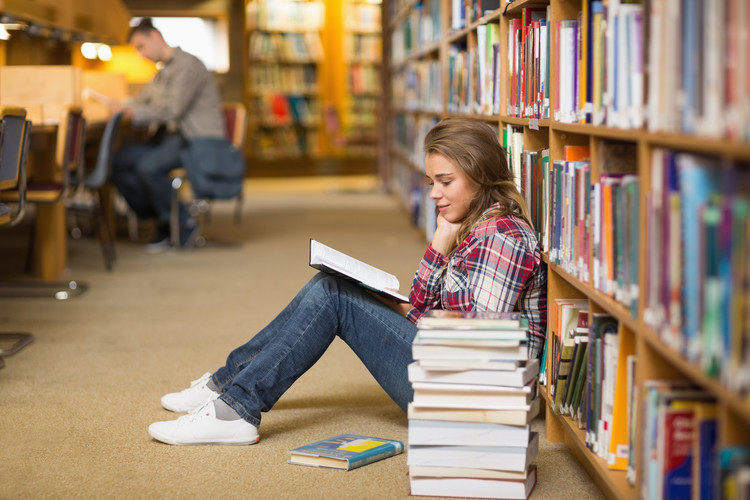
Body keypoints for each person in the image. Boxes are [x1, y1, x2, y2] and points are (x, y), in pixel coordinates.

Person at [148, 117, 547, 445]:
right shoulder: (472, 225)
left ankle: (233, 405)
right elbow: (427, 307)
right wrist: (439, 246)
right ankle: (226, 387)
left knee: (333, 295)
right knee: (330, 287)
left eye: (446, 182)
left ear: (480, 174)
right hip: (447, 370)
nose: (434, 195)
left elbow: (474, 342)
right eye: (431, 183)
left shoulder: (500, 237)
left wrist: (411, 311)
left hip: (467, 394)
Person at [108, 18, 227, 251]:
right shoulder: (163, 72)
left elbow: (173, 109)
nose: (140, 54)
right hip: (173, 138)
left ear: (155, 36)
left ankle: (183, 222)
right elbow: (142, 99)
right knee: (117, 162)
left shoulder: (187, 65)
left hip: (197, 140)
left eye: (141, 46)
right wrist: (123, 105)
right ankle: (162, 219)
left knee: (147, 167)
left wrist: (132, 111)